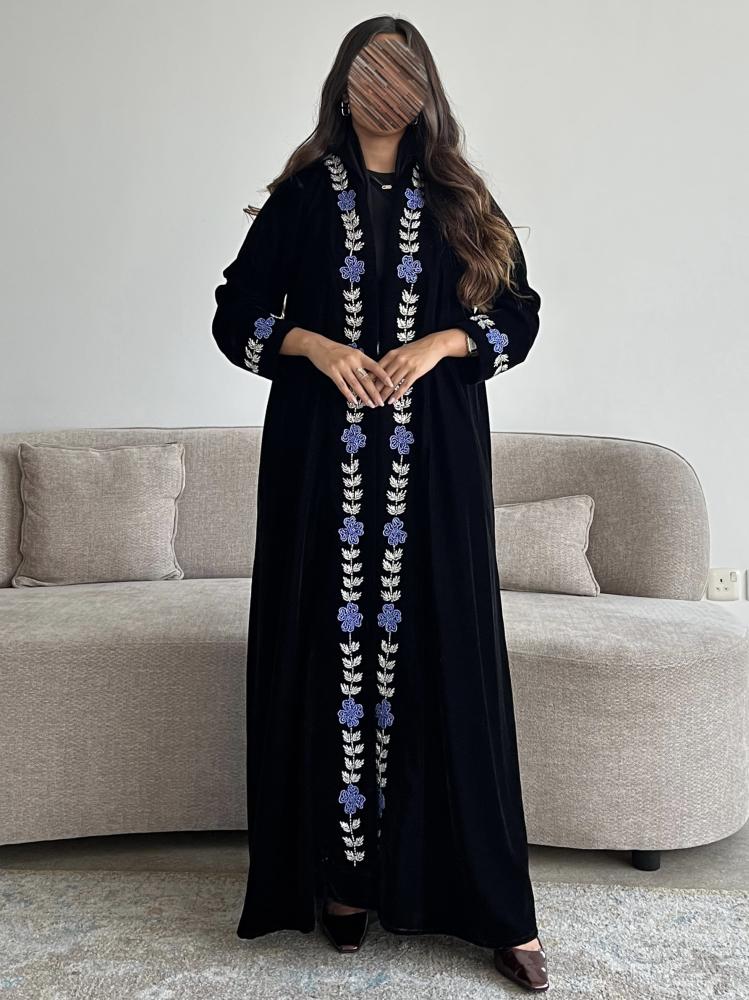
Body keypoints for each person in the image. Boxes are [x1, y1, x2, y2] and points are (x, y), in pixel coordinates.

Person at [211, 16, 548, 993]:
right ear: (344, 84)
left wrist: (441, 342)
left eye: (403, 72)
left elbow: (518, 315)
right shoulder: (302, 198)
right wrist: (314, 345)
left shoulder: (458, 197)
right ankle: (343, 886)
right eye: (370, 71)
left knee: (449, 660)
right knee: (325, 653)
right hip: (319, 464)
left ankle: (496, 908)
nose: (386, 89)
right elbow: (234, 315)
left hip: (433, 466)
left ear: (423, 87)